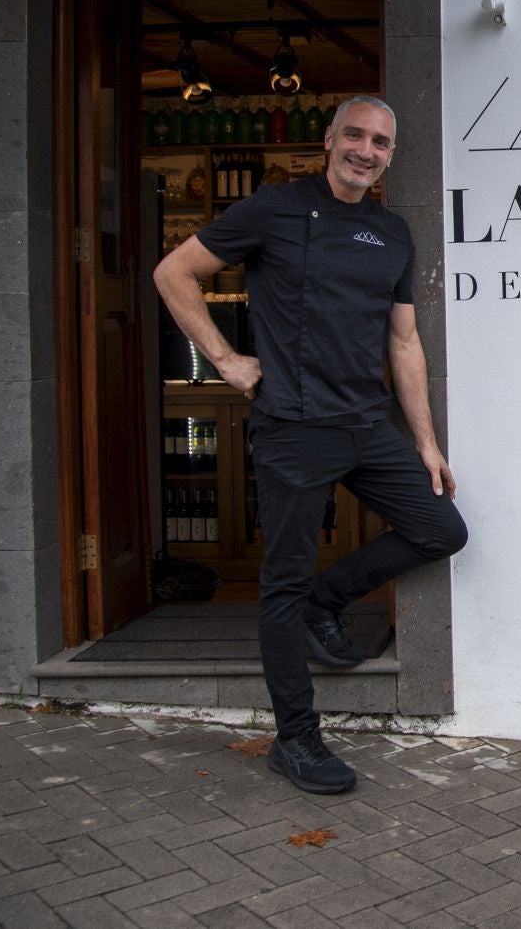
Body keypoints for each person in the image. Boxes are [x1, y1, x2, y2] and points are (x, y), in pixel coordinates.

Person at [153, 94, 465, 795]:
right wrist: (225, 360)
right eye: (354, 135)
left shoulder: (391, 232)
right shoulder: (275, 208)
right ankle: (295, 738)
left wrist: (425, 442)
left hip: (367, 423)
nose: (365, 150)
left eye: (380, 142)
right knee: (282, 581)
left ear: (391, 156)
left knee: (440, 528)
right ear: (328, 140)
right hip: (293, 427)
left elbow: (403, 342)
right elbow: (173, 272)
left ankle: (326, 602)